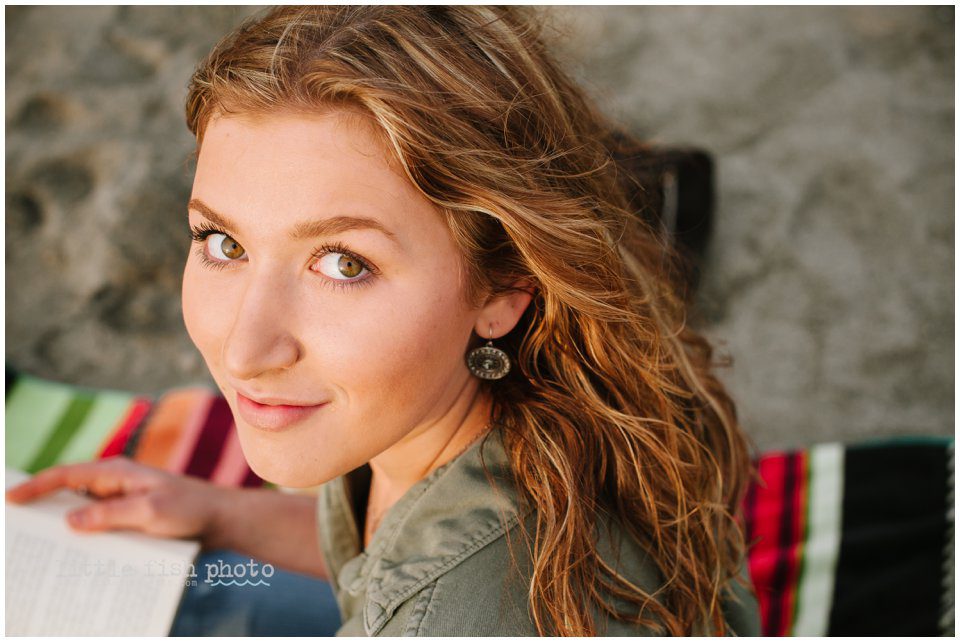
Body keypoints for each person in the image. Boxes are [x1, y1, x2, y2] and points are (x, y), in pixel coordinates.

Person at [7, 6, 760, 636]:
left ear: (503, 290)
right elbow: (395, 559)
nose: (246, 349)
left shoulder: (458, 613)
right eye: (224, 243)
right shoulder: (480, 401)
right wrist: (219, 514)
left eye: (343, 264)